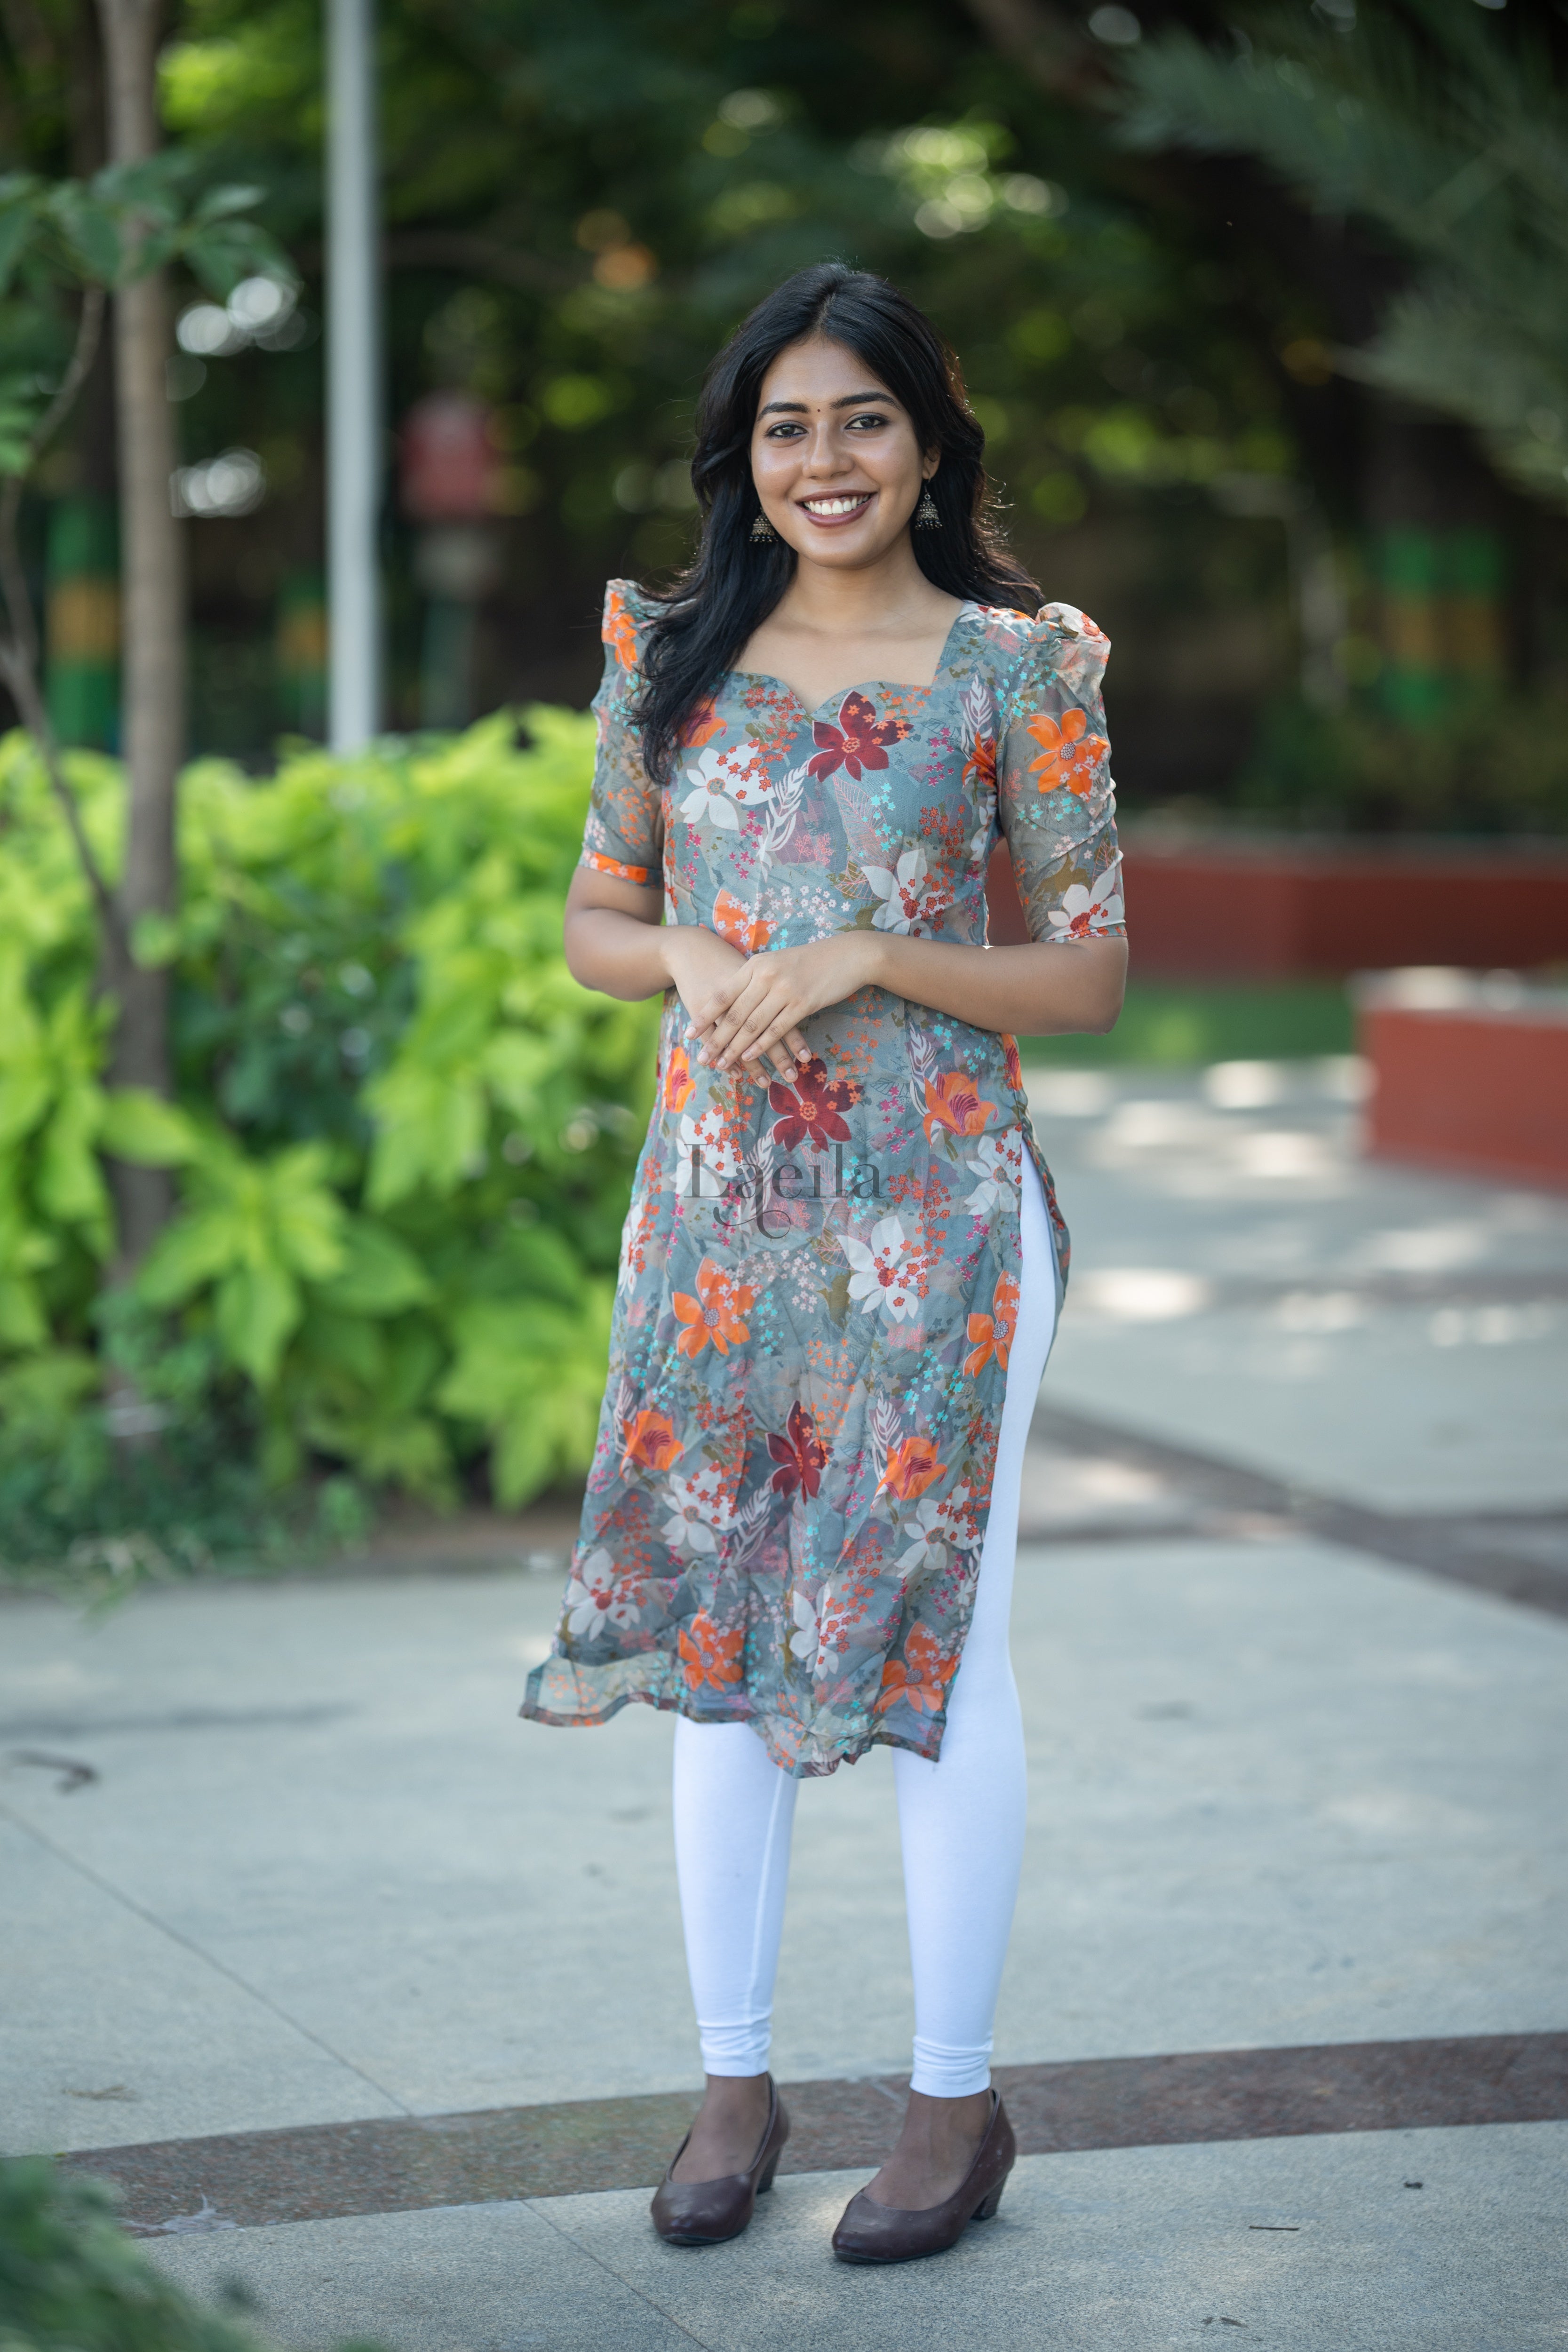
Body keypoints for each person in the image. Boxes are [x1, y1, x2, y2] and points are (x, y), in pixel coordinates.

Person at [522, 262, 1126, 2264]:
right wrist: (696, 948)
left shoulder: (1019, 669)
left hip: (946, 1219)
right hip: (713, 1217)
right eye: (785, 424)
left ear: (929, 438)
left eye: (862, 417)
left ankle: (954, 2104)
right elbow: (603, 918)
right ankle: (734, 2076)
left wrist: (873, 949)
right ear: (745, 455)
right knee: (722, 1641)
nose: (824, 457)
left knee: (942, 1633)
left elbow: (1091, 972)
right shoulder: (668, 652)